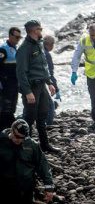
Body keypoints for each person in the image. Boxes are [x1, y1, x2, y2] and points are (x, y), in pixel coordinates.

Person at [16, 20, 60, 153]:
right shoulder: (24, 48)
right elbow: (21, 72)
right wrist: (28, 92)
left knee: (43, 115)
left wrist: (50, 82)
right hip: (32, 87)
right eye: (40, 29)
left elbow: (44, 66)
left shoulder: (40, 44)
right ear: (35, 31)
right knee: (29, 117)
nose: (42, 31)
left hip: (42, 85)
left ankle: (44, 144)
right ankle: (25, 146)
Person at [0, 119, 55, 203]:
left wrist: (49, 188)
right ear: (11, 130)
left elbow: (43, 165)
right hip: (6, 189)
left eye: (23, 138)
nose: (20, 140)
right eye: (17, 137)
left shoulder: (32, 145)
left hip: (27, 189)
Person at [0, 27, 22, 131]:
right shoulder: (4, 49)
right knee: (6, 108)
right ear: (10, 36)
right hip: (5, 84)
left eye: (19, 37)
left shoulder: (16, 49)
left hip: (14, 83)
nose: (18, 39)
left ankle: (9, 130)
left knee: (13, 107)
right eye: (16, 37)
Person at [43, 35, 60, 126]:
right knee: (50, 105)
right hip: (40, 82)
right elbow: (50, 73)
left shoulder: (36, 50)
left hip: (30, 82)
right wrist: (56, 89)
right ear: (51, 44)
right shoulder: (46, 54)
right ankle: (48, 125)